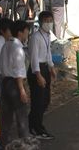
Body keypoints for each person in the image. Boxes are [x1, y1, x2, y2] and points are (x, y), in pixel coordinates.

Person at [0, 20, 31, 148]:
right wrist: (22, 90)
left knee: (6, 116)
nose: (27, 34)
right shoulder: (18, 48)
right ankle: (25, 143)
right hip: (16, 83)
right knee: (21, 115)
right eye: (26, 32)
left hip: (5, 81)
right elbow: (18, 71)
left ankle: (4, 143)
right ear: (20, 32)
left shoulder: (6, 45)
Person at [27, 11, 57, 139]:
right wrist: (38, 75)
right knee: (38, 101)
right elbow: (33, 58)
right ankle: (36, 128)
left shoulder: (47, 35)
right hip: (37, 70)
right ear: (40, 22)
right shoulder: (35, 37)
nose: (49, 23)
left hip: (45, 67)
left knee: (45, 100)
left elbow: (48, 52)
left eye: (50, 20)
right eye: (46, 21)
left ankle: (35, 124)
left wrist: (51, 67)